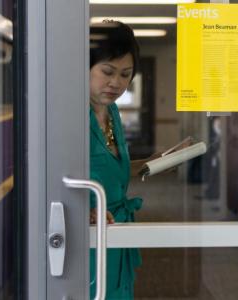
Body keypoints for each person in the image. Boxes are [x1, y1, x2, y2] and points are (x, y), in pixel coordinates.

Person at [89, 21, 154, 300]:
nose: (116, 82)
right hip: (87, 234)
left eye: (125, 74)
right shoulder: (66, 113)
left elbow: (112, 173)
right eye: (107, 71)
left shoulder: (112, 111)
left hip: (118, 232)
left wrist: (157, 161)